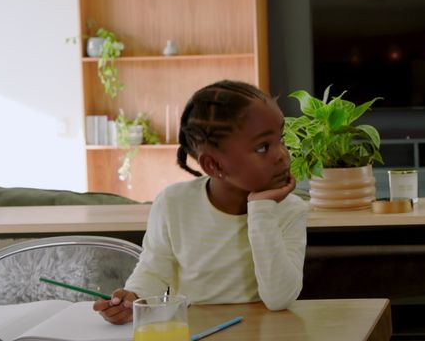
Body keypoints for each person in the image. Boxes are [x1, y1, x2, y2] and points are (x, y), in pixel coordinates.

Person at [94, 80, 307, 324]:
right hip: (194, 337)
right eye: (262, 147)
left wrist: (261, 209)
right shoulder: (173, 204)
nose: (282, 155)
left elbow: (279, 298)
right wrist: (132, 299)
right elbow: (153, 270)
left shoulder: (290, 210)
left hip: (269, 337)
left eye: (281, 139)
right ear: (214, 165)